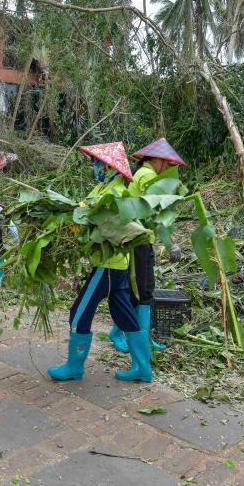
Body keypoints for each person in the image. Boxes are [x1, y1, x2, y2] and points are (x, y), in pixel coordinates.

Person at [48, 142, 152, 383]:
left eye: (99, 164)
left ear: (111, 168)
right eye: (95, 163)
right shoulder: (103, 188)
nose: (95, 167)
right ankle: (142, 368)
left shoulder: (114, 193)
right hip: (116, 265)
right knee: (124, 314)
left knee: (78, 312)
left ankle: (74, 366)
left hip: (106, 265)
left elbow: (100, 222)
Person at [109, 138, 187, 353]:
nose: (169, 169)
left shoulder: (146, 175)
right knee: (141, 292)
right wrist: (171, 243)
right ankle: (132, 338)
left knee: (142, 291)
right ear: (156, 159)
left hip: (142, 239)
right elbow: (158, 213)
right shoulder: (147, 176)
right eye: (168, 164)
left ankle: (134, 335)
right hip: (138, 240)